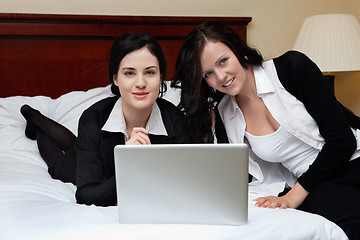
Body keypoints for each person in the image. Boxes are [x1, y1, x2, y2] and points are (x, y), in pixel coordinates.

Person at [174, 21, 360, 239]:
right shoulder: (225, 113)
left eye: (223, 61)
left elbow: (343, 141)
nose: (221, 77)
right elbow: (238, 175)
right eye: (208, 74)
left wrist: (292, 198)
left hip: (352, 160)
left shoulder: (292, 68)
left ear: (238, 49)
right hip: (315, 185)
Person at [20, 32, 190, 207]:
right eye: (129, 73)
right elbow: (86, 196)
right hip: (87, 162)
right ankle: (36, 122)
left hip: (91, 151)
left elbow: (186, 182)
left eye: (150, 72)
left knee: (77, 145)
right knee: (58, 165)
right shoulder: (93, 118)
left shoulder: (175, 119)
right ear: (115, 78)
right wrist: (128, 164)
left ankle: (36, 118)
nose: (140, 83)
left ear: (161, 77)